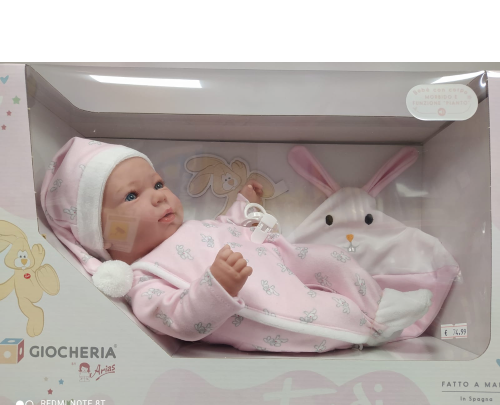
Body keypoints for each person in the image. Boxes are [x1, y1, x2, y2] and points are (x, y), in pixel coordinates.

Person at [41, 138, 432, 353]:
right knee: (333, 313)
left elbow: (225, 228)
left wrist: (244, 204)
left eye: (158, 184)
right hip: (272, 309)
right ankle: (372, 327)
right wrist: (215, 286)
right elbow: (179, 319)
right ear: (102, 234)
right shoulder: (145, 278)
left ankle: (382, 305)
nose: (159, 196)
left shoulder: (189, 229)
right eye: (132, 196)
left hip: (283, 262)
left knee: (333, 259)